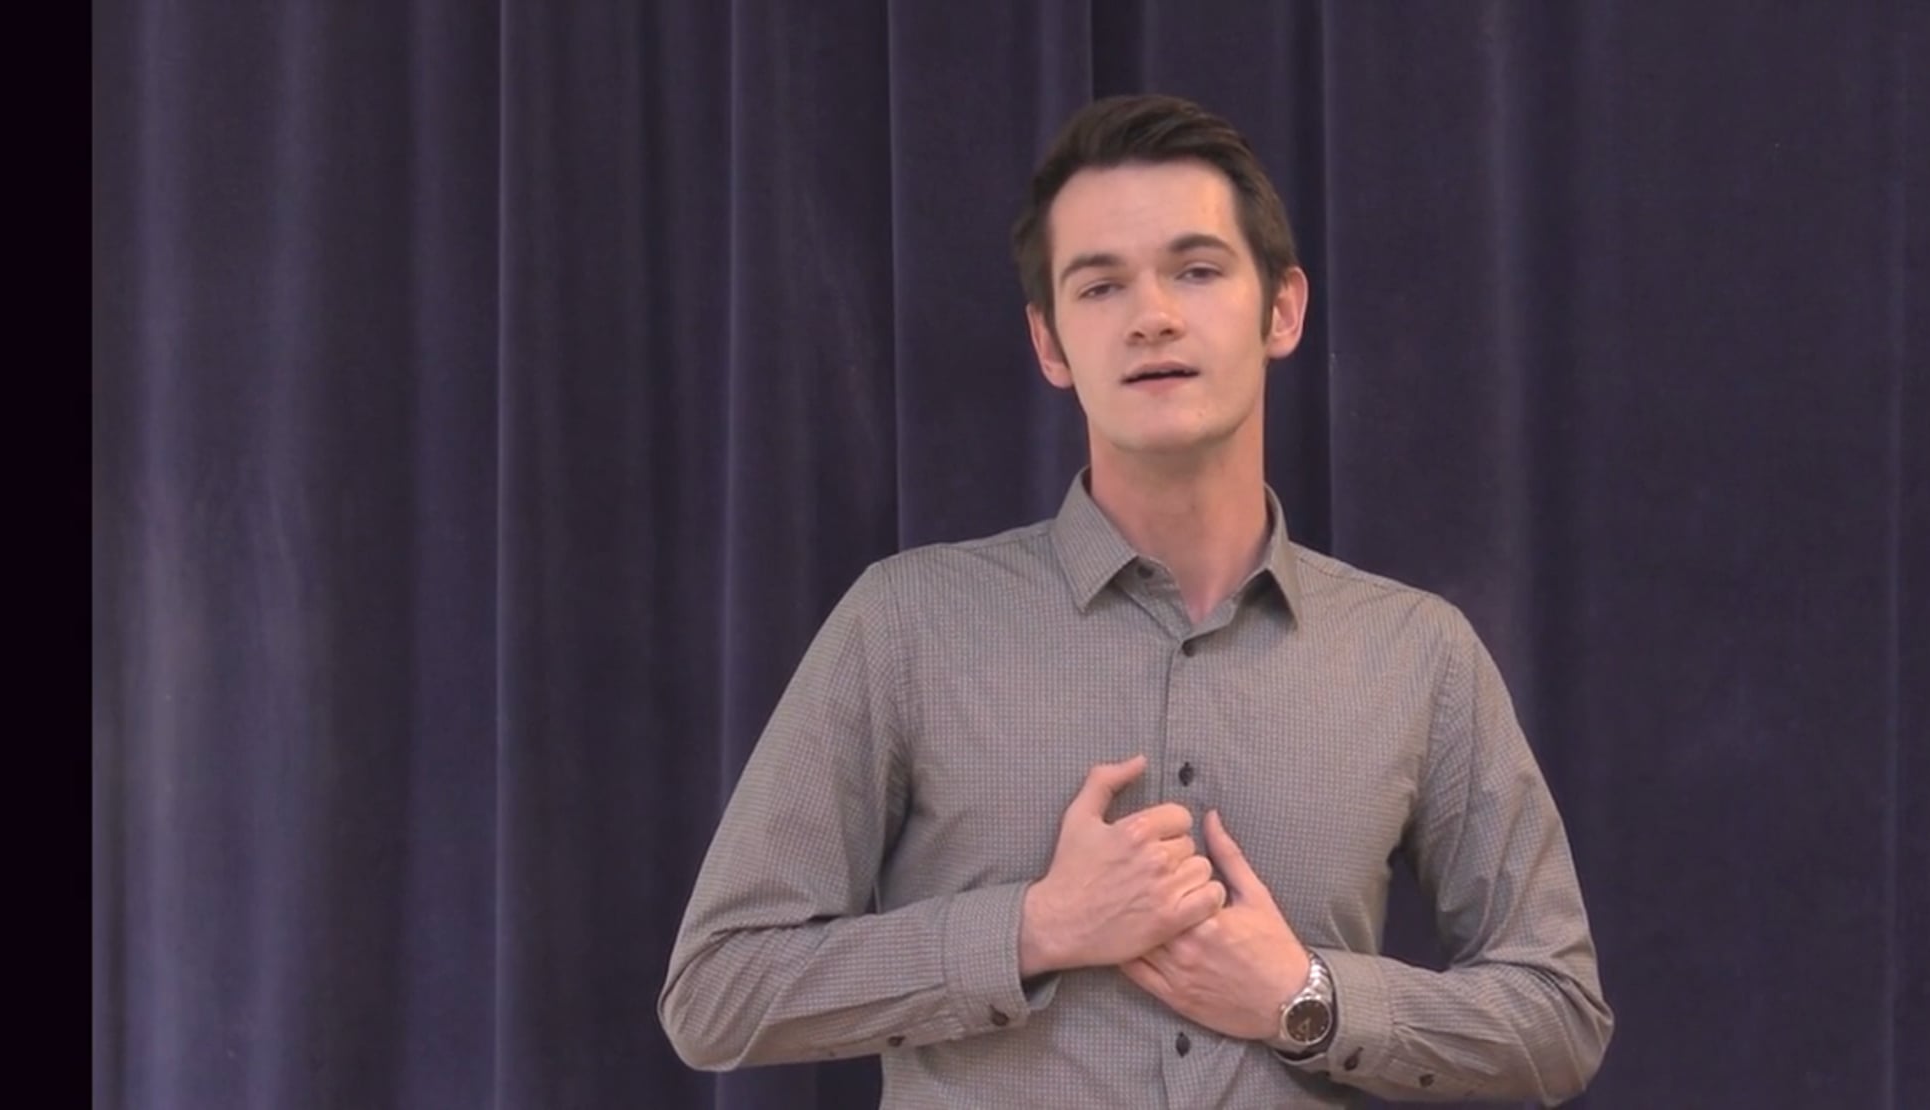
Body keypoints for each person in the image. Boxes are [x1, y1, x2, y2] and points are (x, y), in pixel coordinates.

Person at [661, 92, 1612, 1107]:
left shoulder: (1418, 653)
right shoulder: (905, 624)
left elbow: (1559, 1017)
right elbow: (718, 990)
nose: (1152, 315)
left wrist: (1307, 999)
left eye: (1196, 270)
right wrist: (1032, 930)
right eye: (1101, 285)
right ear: (1050, 343)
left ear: (1282, 310)